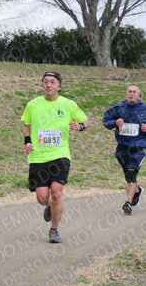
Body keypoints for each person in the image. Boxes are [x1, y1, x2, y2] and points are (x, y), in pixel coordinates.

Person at [22, 71, 90, 243]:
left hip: (60, 155)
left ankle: (54, 229)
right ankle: (51, 207)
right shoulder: (33, 104)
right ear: (42, 85)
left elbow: (86, 121)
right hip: (38, 157)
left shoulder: (68, 104)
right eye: (45, 81)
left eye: (52, 82)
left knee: (57, 193)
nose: (48, 85)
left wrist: (80, 126)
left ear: (60, 86)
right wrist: (27, 141)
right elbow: (26, 124)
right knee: (42, 198)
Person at [102, 85, 146, 214]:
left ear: (139, 95)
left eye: (134, 92)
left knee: (131, 174)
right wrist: (115, 123)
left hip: (137, 148)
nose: (131, 94)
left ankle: (128, 203)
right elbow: (106, 121)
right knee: (128, 176)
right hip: (122, 148)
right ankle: (136, 190)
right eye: (129, 92)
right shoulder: (119, 108)